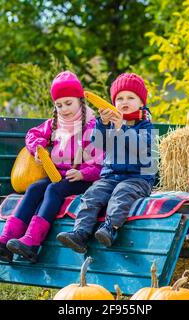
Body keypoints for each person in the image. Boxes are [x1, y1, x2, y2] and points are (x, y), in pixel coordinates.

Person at [0, 71, 102, 262]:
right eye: (59, 105)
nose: (64, 109)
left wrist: (82, 173)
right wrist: (38, 149)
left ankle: (32, 242)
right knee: (35, 187)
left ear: (80, 101)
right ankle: (6, 240)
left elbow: (101, 164)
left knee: (54, 189)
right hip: (58, 175)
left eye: (68, 103)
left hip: (84, 179)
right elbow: (31, 134)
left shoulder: (92, 127)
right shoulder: (54, 125)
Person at [56, 73, 156, 253]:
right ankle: (80, 233)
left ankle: (110, 228)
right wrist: (102, 123)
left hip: (137, 178)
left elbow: (140, 148)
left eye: (130, 98)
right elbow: (97, 143)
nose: (124, 102)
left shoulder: (145, 126)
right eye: (119, 98)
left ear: (141, 103)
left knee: (121, 194)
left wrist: (122, 128)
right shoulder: (110, 123)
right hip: (110, 175)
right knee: (92, 195)